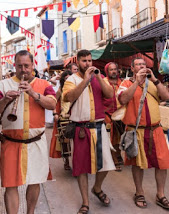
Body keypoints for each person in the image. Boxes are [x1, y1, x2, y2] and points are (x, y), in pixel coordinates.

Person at [0, 50, 56, 214]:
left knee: (34, 182)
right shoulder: (1, 86)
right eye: (20, 66)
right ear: (14, 66)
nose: (23, 70)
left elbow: (52, 105)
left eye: (26, 66)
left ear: (32, 65)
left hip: (36, 142)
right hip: (11, 142)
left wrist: (32, 93)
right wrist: (5, 99)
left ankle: (30, 212)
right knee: (11, 184)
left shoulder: (45, 85)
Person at [117, 57, 169, 210]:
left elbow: (166, 97)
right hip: (136, 132)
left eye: (144, 64)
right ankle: (139, 192)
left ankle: (160, 194)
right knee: (137, 164)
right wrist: (136, 81)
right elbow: (123, 99)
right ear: (132, 67)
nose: (142, 66)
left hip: (156, 130)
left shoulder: (153, 83)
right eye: (138, 65)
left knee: (162, 163)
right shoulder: (126, 83)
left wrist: (155, 79)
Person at [62, 49, 115, 214]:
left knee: (107, 164)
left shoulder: (99, 78)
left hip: (99, 127)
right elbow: (68, 97)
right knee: (81, 168)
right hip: (81, 129)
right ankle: (85, 202)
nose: (88, 64)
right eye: (84, 61)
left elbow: (110, 95)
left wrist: (98, 77)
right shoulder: (71, 79)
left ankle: (97, 188)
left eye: (90, 61)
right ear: (78, 62)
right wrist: (85, 80)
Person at [103, 62, 124, 171]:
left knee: (120, 137)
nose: (114, 71)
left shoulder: (123, 82)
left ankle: (118, 154)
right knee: (110, 137)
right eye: (111, 70)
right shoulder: (104, 82)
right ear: (107, 71)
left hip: (122, 113)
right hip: (107, 114)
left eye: (115, 69)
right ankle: (114, 159)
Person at [49, 70, 73, 170]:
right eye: (66, 78)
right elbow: (54, 102)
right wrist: (55, 113)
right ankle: (67, 161)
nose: (68, 79)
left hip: (76, 118)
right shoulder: (60, 90)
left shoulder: (77, 88)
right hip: (64, 118)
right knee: (65, 141)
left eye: (69, 78)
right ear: (63, 80)